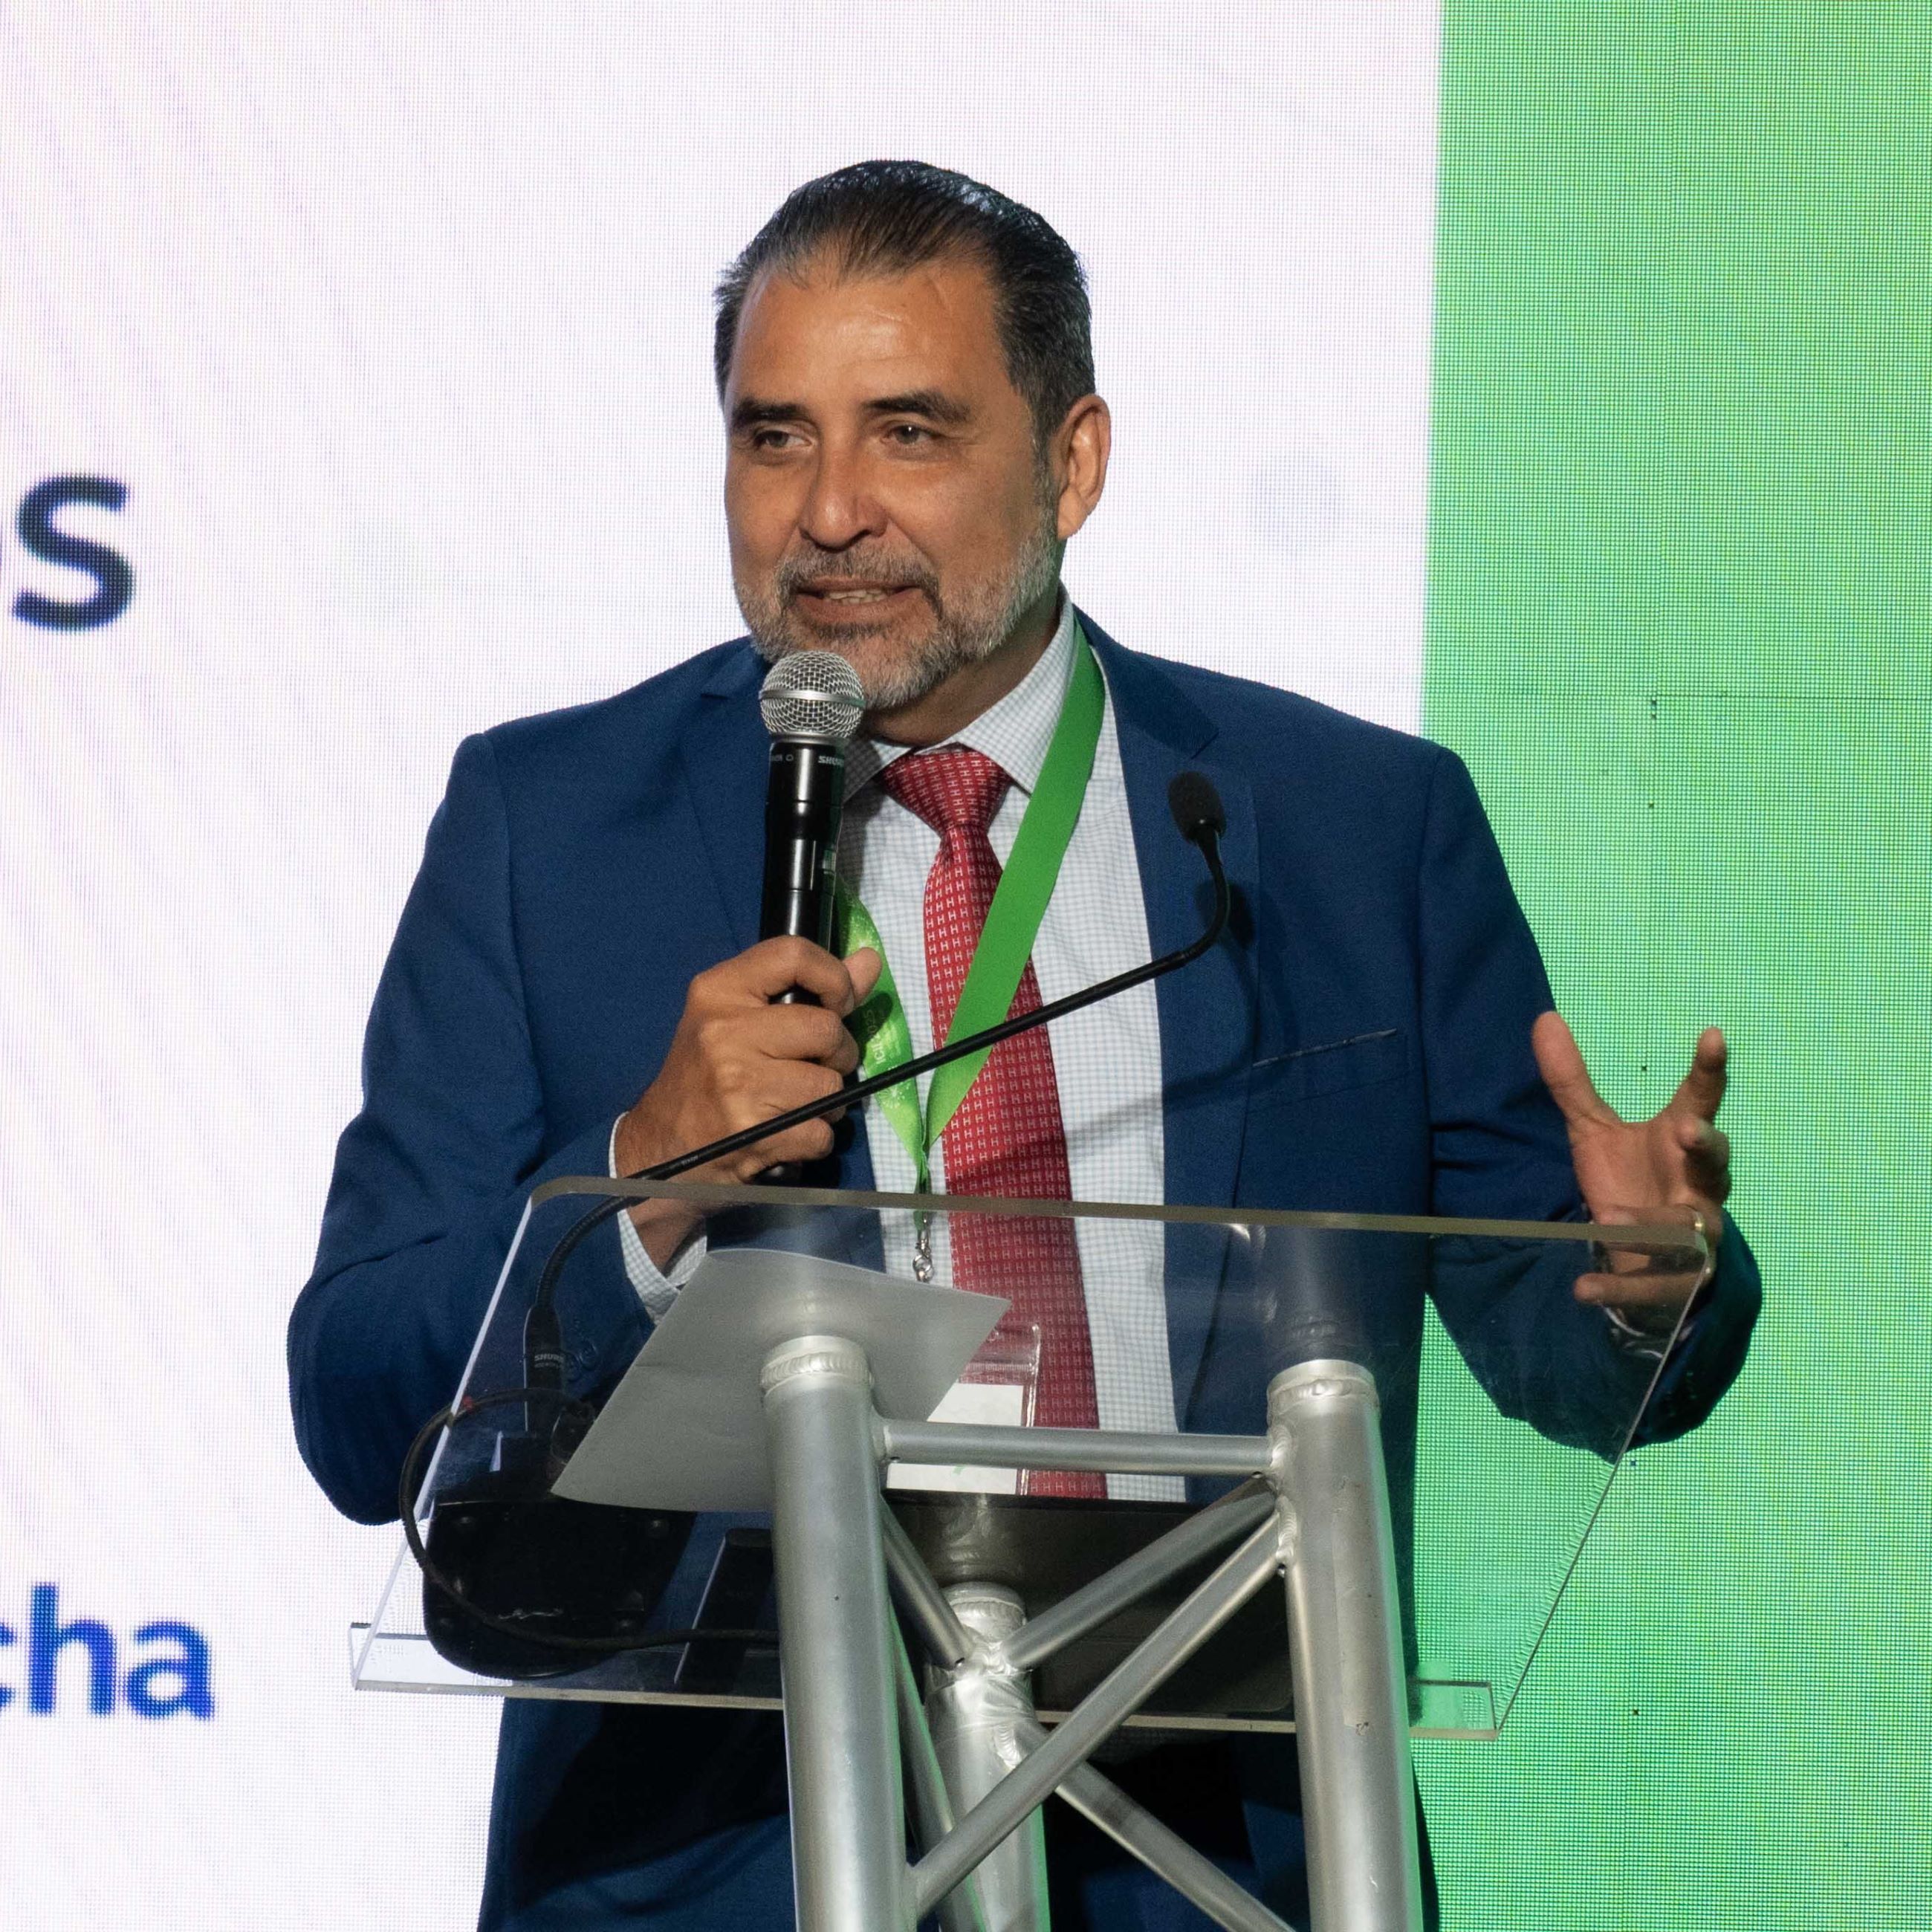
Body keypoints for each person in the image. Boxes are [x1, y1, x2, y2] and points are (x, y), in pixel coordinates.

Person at [288, 161, 1760, 1930]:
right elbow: (360, 1389)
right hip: (714, 1862)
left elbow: (1568, 1346)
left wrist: (1640, 1279)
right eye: (774, 439)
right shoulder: (550, 824)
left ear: (1071, 463)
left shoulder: (1352, 827)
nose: (828, 512)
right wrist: (633, 1185)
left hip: (1229, 1859)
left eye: (906, 432)